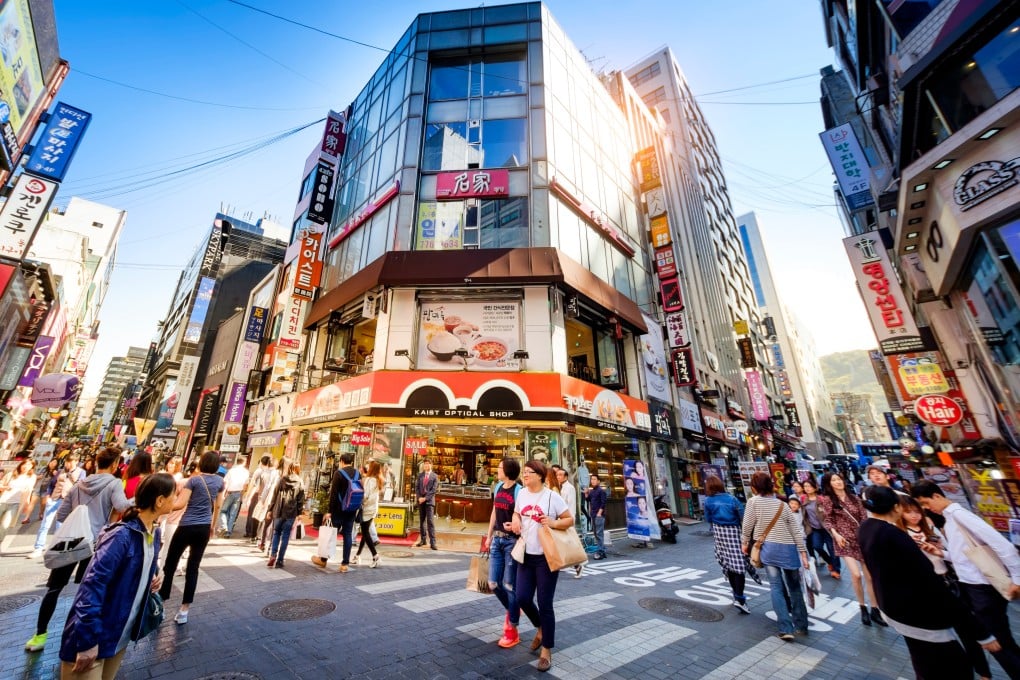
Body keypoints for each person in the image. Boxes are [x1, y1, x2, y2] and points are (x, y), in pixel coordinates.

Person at [860, 485, 1000, 680]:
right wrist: (980, 631)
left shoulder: (866, 528)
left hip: (894, 610)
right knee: (953, 667)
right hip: (921, 618)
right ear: (896, 508)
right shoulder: (895, 536)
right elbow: (932, 585)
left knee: (925, 664)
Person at [58, 473, 175, 680]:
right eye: (174, 495)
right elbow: (92, 587)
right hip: (93, 636)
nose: (177, 500)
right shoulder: (120, 536)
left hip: (119, 635)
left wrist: (154, 577)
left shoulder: (153, 535)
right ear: (159, 500)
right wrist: (86, 640)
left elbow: (138, 573)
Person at [25, 447, 133, 653]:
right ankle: (77, 633)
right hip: (94, 543)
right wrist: (138, 500)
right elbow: (122, 507)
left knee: (54, 589)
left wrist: (79, 516)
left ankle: (40, 635)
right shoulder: (114, 483)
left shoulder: (79, 484)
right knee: (89, 590)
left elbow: (61, 515)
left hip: (71, 541)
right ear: (114, 464)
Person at [912, 480, 1020, 678]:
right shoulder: (950, 518)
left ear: (936, 496)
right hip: (972, 586)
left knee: (996, 642)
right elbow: (963, 556)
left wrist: (1017, 578)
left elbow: (1003, 546)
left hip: (983, 587)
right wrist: (940, 553)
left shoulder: (960, 515)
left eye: (926, 503)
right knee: (1002, 640)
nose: (927, 509)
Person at [509, 459, 573, 672]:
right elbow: (517, 512)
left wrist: (553, 522)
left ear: (539, 475)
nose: (524, 475)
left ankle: (546, 650)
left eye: (528, 472)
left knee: (545, 604)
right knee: (522, 598)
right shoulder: (522, 494)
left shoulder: (551, 497)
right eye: (524, 472)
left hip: (546, 558)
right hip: (526, 555)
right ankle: (541, 629)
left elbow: (569, 520)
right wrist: (516, 520)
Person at [741, 471, 809, 641]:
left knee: (776, 587)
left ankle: (785, 627)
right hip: (789, 550)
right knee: (794, 588)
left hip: (769, 549)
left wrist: (744, 543)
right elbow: (795, 530)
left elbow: (747, 525)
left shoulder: (753, 502)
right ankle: (801, 625)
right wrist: (803, 553)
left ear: (755, 487)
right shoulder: (783, 505)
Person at [159, 450, 225, 625]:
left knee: (170, 564)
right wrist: (212, 526)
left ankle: (162, 604)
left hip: (186, 525)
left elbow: (181, 503)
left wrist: (163, 506)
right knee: (193, 567)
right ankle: (184, 610)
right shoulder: (220, 482)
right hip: (203, 528)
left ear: (201, 463)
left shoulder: (194, 480)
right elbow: (218, 506)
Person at [818, 471, 885, 627]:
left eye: (839, 479)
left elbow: (864, 518)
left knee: (869, 576)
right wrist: (836, 535)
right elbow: (828, 521)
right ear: (829, 484)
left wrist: (868, 536)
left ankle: (874, 609)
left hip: (861, 539)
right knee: (855, 575)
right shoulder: (828, 500)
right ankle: (862, 607)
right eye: (833, 480)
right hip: (844, 541)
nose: (837, 482)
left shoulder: (855, 499)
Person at [483, 458, 523, 648]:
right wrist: (489, 535)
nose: (497, 470)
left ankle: (512, 628)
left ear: (508, 471)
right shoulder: (498, 486)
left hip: (511, 542)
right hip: (497, 540)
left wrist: (515, 526)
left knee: (509, 584)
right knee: (493, 583)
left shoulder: (518, 491)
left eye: (499, 468)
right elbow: (494, 512)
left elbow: (521, 518)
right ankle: (513, 608)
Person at [703, 475, 751, 615]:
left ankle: (736, 595)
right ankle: (740, 598)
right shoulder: (732, 499)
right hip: (734, 532)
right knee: (739, 564)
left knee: (728, 563)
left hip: (719, 533)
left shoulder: (708, 501)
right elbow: (743, 515)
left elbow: (708, 518)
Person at [31, 455, 86, 559]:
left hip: (67, 501)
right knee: (45, 524)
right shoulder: (61, 471)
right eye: (67, 462)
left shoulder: (81, 472)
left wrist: (70, 474)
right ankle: (38, 547)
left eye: (71, 462)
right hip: (54, 498)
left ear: (76, 461)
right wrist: (48, 495)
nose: (68, 464)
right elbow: (52, 483)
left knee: (60, 526)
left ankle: (56, 549)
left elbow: (79, 485)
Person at [314, 452, 360, 572]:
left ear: (342, 461)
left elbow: (333, 494)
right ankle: (345, 564)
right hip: (351, 509)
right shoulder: (357, 473)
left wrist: (329, 511)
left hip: (338, 510)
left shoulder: (338, 473)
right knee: (348, 535)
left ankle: (323, 560)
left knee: (331, 534)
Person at [266, 458, 305, 570]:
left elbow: (274, 495)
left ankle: (273, 554)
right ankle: (280, 560)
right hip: (291, 512)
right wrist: (299, 512)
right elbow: (300, 499)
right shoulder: (299, 481)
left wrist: (270, 509)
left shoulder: (282, 479)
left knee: (276, 533)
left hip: (278, 510)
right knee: (285, 536)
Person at [802, 478, 840, 579]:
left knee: (832, 549)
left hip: (827, 528)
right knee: (817, 546)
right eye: (805, 486)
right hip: (814, 529)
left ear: (815, 487)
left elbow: (830, 512)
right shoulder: (803, 500)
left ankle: (836, 570)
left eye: (809, 486)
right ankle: (830, 562)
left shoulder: (822, 499)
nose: (807, 488)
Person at [352, 460, 383, 568]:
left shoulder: (370, 480)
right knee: (365, 533)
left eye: (369, 466)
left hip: (366, 509)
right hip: (373, 509)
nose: (367, 467)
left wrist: (360, 502)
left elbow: (366, 496)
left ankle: (375, 556)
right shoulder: (378, 480)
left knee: (365, 533)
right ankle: (357, 555)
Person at [552, 466, 582, 579]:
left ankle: (578, 564)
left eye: (560, 475)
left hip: (566, 520)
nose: (558, 477)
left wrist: (570, 520)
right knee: (563, 543)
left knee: (569, 544)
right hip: (560, 520)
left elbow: (571, 505)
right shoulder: (559, 487)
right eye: (557, 475)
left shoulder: (570, 488)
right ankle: (567, 563)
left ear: (565, 476)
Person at [1, 459, 36, 543]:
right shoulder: (11, 474)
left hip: (15, 504)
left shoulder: (32, 477)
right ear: (21, 464)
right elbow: (1, 483)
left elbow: (29, 490)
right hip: (2, 501)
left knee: (5, 525)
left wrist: (27, 504)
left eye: (29, 465)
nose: (25, 466)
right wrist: (5, 487)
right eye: (24, 464)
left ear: (31, 467)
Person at [244, 456, 275, 540]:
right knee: (264, 517)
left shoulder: (261, 472)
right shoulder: (275, 474)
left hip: (260, 497)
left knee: (255, 514)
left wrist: (248, 496)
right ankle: (260, 536)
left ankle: (251, 533)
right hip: (270, 499)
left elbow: (254, 485)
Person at [218, 457, 249, 538]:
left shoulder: (231, 471)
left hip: (229, 492)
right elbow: (246, 485)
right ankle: (228, 532)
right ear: (244, 462)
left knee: (223, 511)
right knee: (233, 514)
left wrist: (223, 494)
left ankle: (224, 526)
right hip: (238, 493)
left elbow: (225, 482)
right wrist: (243, 494)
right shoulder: (246, 472)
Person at [25, 458, 59, 524]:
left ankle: (41, 513)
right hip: (38, 488)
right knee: (32, 503)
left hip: (46, 490)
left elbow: (56, 482)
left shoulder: (56, 472)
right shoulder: (43, 469)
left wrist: (56, 476)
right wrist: (38, 477)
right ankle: (26, 518)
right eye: (52, 462)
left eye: (55, 462)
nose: (53, 463)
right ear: (49, 462)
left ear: (56, 464)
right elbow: (35, 476)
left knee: (43, 504)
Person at [414, 459, 438, 550]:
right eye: (425, 464)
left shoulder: (435, 476)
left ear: (431, 465)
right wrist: (419, 497)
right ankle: (423, 539)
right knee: (422, 521)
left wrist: (425, 498)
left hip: (429, 501)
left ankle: (433, 542)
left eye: (428, 464)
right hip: (421, 501)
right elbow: (416, 488)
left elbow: (433, 490)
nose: (426, 466)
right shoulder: (420, 475)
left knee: (430, 522)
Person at [588, 474, 607, 560]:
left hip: (599, 515)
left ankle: (601, 552)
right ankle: (601, 550)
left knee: (599, 534)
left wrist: (599, 513)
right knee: (596, 533)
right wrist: (586, 494)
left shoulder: (601, 491)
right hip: (593, 514)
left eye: (594, 479)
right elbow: (589, 500)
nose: (592, 481)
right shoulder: (592, 491)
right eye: (591, 479)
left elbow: (603, 503)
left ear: (598, 481)